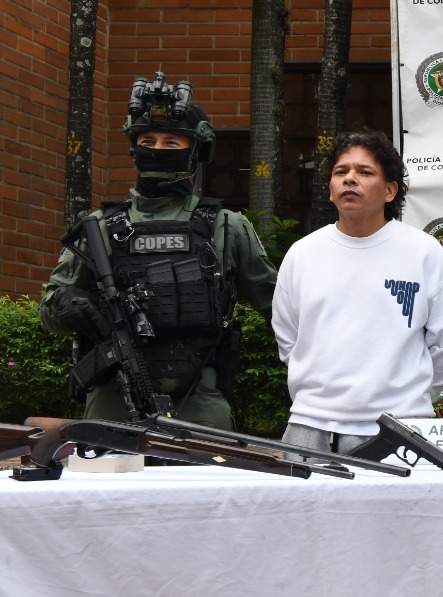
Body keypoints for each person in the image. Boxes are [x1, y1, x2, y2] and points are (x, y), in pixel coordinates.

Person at [40, 72, 277, 430]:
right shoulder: (99, 227)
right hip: (112, 395)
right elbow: (50, 306)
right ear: (134, 148)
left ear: (195, 150)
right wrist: (69, 305)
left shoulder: (226, 225)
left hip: (198, 400)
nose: (158, 149)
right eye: (147, 140)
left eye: (172, 142)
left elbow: (279, 307)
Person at [273, 130, 443, 453]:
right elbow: (288, 337)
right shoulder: (303, 254)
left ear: (390, 190)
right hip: (310, 426)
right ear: (331, 190)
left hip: (398, 427)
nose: (350, 179)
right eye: (341, 172)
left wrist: (408, 395)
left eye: (365, 172)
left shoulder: (424, 253)